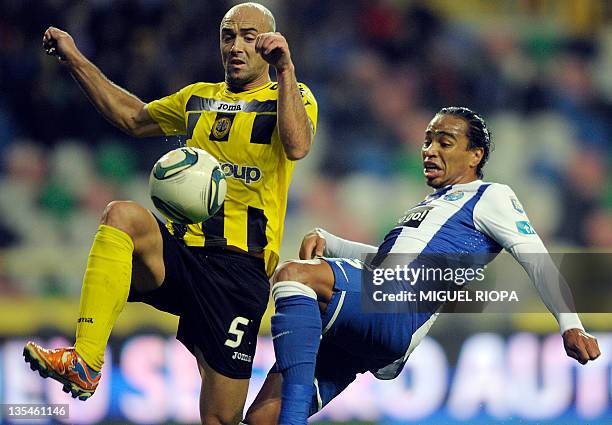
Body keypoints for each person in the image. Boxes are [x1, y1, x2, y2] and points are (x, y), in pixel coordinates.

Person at [23, 3, 317, 424]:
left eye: (249, 36)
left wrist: (287, 70)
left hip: (239, 272)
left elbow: (297, 146)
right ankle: (85, 360)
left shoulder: (290, 96)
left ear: (268, 43)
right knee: (121, 215)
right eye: (227, 35)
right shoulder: (197, 97)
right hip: (181, 254)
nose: (236, 46)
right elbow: (131, 116)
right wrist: (74, 57)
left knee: (219, 418)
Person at [243, 107, 601, 425]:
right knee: (261, 417)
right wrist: (333, 242)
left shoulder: (490, 195)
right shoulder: (431, 204)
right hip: (378, 324)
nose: (430, 150)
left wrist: (571, 325)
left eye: (445, 142)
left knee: (293, 274)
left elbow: (538, 262)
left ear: (475, 155)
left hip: (399, 307)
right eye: (428, 141)